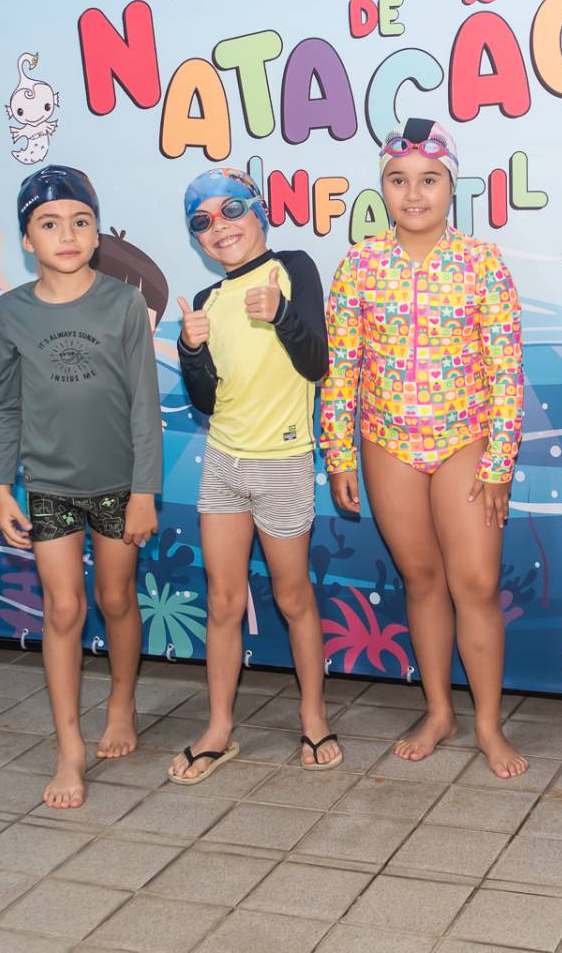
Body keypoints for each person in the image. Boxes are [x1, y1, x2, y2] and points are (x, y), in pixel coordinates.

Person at [320, 120, 530, 778]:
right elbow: (341, 368)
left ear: (451, 186)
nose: (414, 194)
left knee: (476, 583)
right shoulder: (359, 264)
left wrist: (499, 462)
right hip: (387, 442)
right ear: (383, 187)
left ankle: (489, 724)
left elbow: (506, 370)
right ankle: (440, 710)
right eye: (399, 180)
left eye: (429, 180)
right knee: (422, 579)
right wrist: (339, 452)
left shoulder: (482, 263)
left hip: (465, 438)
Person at [0, 165, 162, 810]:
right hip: (48, 484)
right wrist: (2, 487)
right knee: (64, 609)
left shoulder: (123, 304)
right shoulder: (12, 311)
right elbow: (6, 405)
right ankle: (69, 746)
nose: (67, 235)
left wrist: (144, 491)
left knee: (115, 598)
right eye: (50, 224)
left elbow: (144, 404)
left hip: (119, 485)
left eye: (80, 222)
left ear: (96, 233)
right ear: (27, 239)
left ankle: (121, 701)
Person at [169, 168, 342, 783]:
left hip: (283, 462)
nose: (219, 226)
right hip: (222, 463)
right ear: (196, 238)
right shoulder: (207, 301)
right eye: (202, 221)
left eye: (232, 209)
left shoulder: (292, 268)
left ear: (259, 211)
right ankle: (219, 727)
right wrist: (190, 351)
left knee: (294, 597)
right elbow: (206, 401)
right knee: (222, 601)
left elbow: (317, 362)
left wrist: (283, 314)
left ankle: (313, 715)